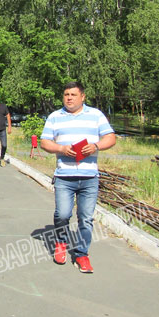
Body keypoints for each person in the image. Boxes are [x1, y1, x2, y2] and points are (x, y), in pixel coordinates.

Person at [40, 81, 116, 274]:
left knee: (86, 218)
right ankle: (61, 242)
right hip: (65, 176)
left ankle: (82, 254)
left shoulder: (96, 115)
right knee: (63, 214)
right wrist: (61, 148)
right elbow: (44, 142)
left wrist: (96, 146)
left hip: (89, 176)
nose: (69, 98)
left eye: (73, 94)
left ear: (83, 97)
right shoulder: (55, 117)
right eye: (66, 94)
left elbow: (110, 137)